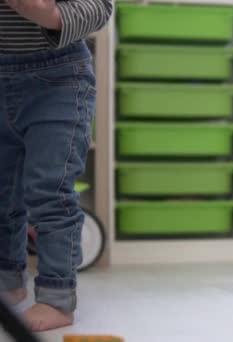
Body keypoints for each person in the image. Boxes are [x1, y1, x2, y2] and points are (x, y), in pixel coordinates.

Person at [0, 0, 112, 331]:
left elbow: (100, 8)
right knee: (3, 192)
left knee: (50, 189)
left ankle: (56, 296)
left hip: (59, 77)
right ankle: (8, 281)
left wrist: (48, 14)